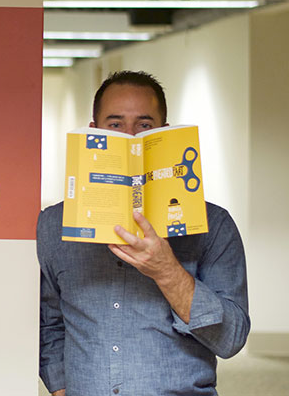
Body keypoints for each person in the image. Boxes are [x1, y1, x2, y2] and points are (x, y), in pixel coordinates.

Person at [38, 71, 249, 396]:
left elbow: (231, 339)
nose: (131, 137)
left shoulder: (214, 224)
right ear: (94, 132)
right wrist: (60, 387)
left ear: (163, 133)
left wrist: (167, 271)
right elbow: (48, 322)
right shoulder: (54, 225)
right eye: (116, 124)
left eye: (144, 125)